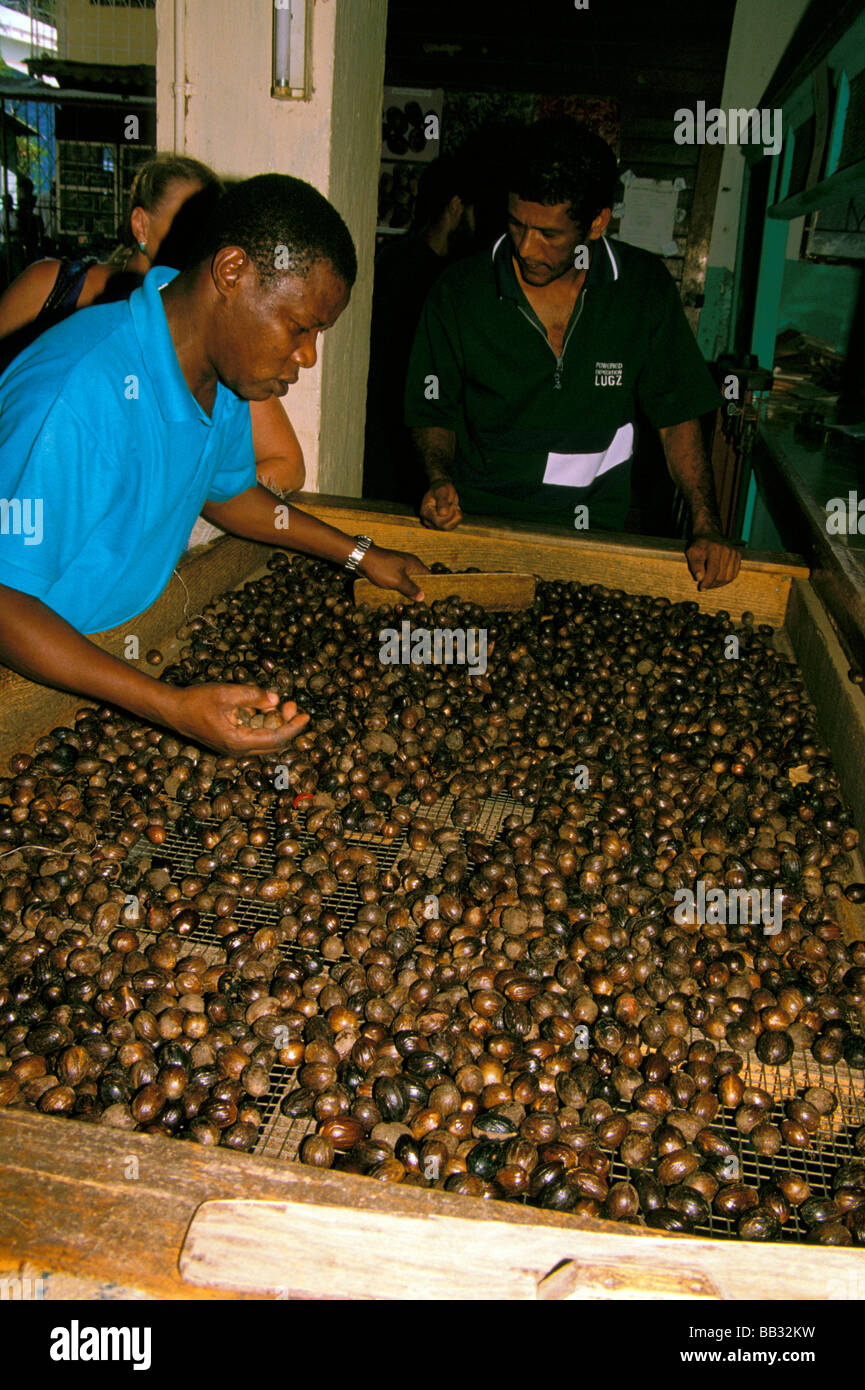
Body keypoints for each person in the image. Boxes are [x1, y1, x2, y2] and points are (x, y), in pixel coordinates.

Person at [0, 174, 428, 756]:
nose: (307, 355)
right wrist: (170, 706)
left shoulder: (220, 380)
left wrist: (359, 554)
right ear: (231, 273)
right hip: (27, 679)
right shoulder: (76, 394)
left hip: (111, 652)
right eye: (299, 327)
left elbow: (228, 494)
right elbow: (4, 603)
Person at [406, 117, 741, 591]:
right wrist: (438, 479)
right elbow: (431, 410)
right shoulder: (459, 291)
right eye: (517, 224)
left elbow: (678, 417)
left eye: (549, 234)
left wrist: (706, 525)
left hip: (594, 534)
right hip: (477, 529)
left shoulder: (643, 290)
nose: (526, 248)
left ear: (597, 223)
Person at [0, 153, 305, 499]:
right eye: (185, 223)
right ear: (140, 225)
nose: (200, 241)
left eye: (210, 228)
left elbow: (286, 464)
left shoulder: (208, 337)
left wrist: (167, 506)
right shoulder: (50, 286)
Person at [363, 155, 475, 505]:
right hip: (396, 432)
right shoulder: (415, 270)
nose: (475, 224)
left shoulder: (404, 259)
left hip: (404, 428)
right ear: (456, 206)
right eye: (472, 212)